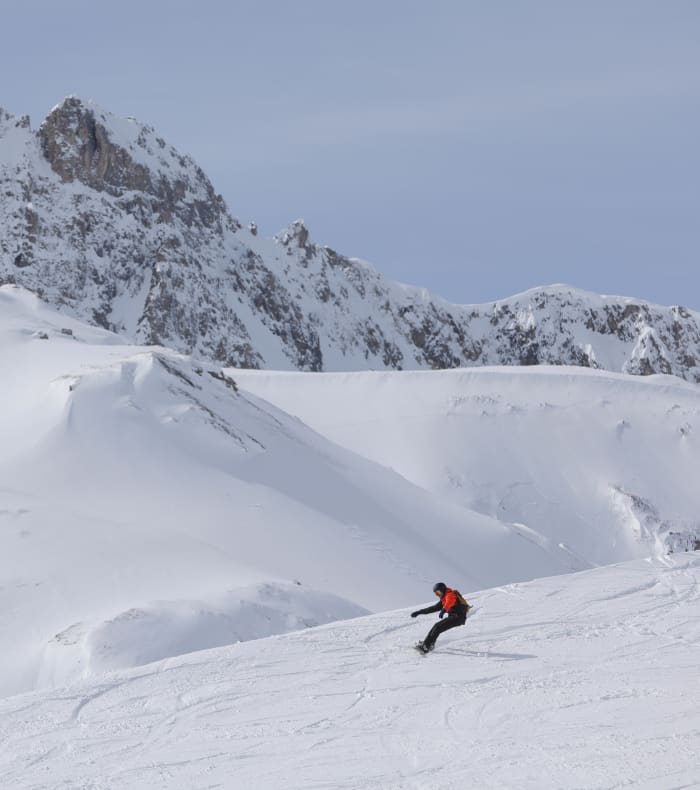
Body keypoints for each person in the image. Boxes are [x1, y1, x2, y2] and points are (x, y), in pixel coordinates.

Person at [411, 582, 471, 653]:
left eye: (438, 592)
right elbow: (433, 608)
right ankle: (429, 644)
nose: (438, 595)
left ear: (443, 590)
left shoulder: (450, 594)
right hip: (455, 617)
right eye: (436, 594)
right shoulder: (443, 600)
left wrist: (444, 609)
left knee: (438, 627)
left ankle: (426, 647)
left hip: (458, 617)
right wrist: (419, 612)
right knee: (436, 626)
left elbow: (450, 601)